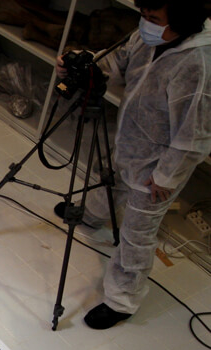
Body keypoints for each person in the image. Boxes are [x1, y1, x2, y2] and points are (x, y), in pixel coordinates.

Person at [54, 0, 211, 329]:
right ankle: (92, 215)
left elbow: (193, 138)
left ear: (181, 21)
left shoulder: (198, 64)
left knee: (138, 233)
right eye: (143, 15)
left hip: (161, 164)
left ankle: (122, 300)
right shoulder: (149, 37)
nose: (145, 24)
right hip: (132, 138)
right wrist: (80, 68)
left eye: (153, 18)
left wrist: (166, 177)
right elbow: (117, 62)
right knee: (108, 178)